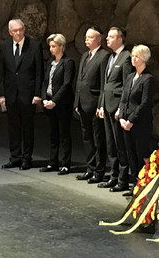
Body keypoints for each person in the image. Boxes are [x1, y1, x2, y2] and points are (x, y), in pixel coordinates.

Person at [0, 19, 43, 170]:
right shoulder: (4, 47)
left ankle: (26, 157)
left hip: (28, 93)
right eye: (15, 30)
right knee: (13, 127)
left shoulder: (34, 46)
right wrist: (2, 94)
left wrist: (37, 93)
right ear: (10, 32)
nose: (18, 33)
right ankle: (15, 157)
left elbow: (39, 73)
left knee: (27, 127)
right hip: (11, 93)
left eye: (20, 29)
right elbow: (2, 73)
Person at [97, 27, 133, 192]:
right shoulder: (111, 57)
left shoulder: (126, 57)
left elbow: (126, 85)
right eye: (108, 36)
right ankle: (113, 175)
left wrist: (121, 108)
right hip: (107, 106)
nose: (107, 39)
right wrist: (102, 104)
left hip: (117, 107)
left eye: (111, 37)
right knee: (110, 143)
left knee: (120, 144)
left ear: (120, 39)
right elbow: (106, 85)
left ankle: (123, 178)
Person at [118, 45, 155, 197]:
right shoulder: (130, 77)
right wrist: (121, 116)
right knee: (130, 154)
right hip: (126, 122)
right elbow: (124, 98)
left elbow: (145, 103)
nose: (133, 58)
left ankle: (142, 184)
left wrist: (131, 120)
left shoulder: (148, 79)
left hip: (139, 124)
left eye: (137, 56)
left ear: (144, 58)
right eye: (132, 55)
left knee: (140, 155)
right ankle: (134, 183)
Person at [74, 26, 109, 183]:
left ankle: (99, 170)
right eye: (85, 37)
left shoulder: (103, 56)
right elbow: (80, 81)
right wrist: (77, 102)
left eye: (89, 37)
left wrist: (101, 105)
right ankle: (90, 168)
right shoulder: (84, 56)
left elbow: (103, 84)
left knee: (98, 139)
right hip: (83, 104)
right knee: (87, 138)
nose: (86, 40)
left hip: (94, 104)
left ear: (98, 39)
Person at [40, 34, 76, 175]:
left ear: (61, 46)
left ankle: (65, 163)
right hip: (48, 102)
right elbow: (45, 82)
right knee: (52, 133)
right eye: (50, 46)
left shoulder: (68, 62)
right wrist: (44, 99)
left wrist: (54, 100)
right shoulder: (50, 62)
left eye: (54, 46)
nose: (51, 49)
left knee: (64, 133)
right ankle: (52, 162)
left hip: (62, 104)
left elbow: (67, 84)